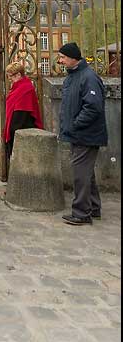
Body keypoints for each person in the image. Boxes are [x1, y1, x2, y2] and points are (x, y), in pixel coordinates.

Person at [58, 42, 108, 226]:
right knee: (87, 173)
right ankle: (93, 208)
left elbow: (93, 107)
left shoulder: (88, 77)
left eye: (63, 57)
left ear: (73, 58)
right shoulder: (74, 76)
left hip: (86, 134)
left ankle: (81, 213)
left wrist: (75, 125)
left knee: (80, 174)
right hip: (79, 133)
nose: (61, 60)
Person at [3, 61, 43, 158]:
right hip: (17, 127)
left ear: (18, 75)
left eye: (11, 76)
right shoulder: (18, 87)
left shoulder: (26, 88)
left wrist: (12, 133)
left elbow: (21, 114)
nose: (9, 79)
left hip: (23, 129)